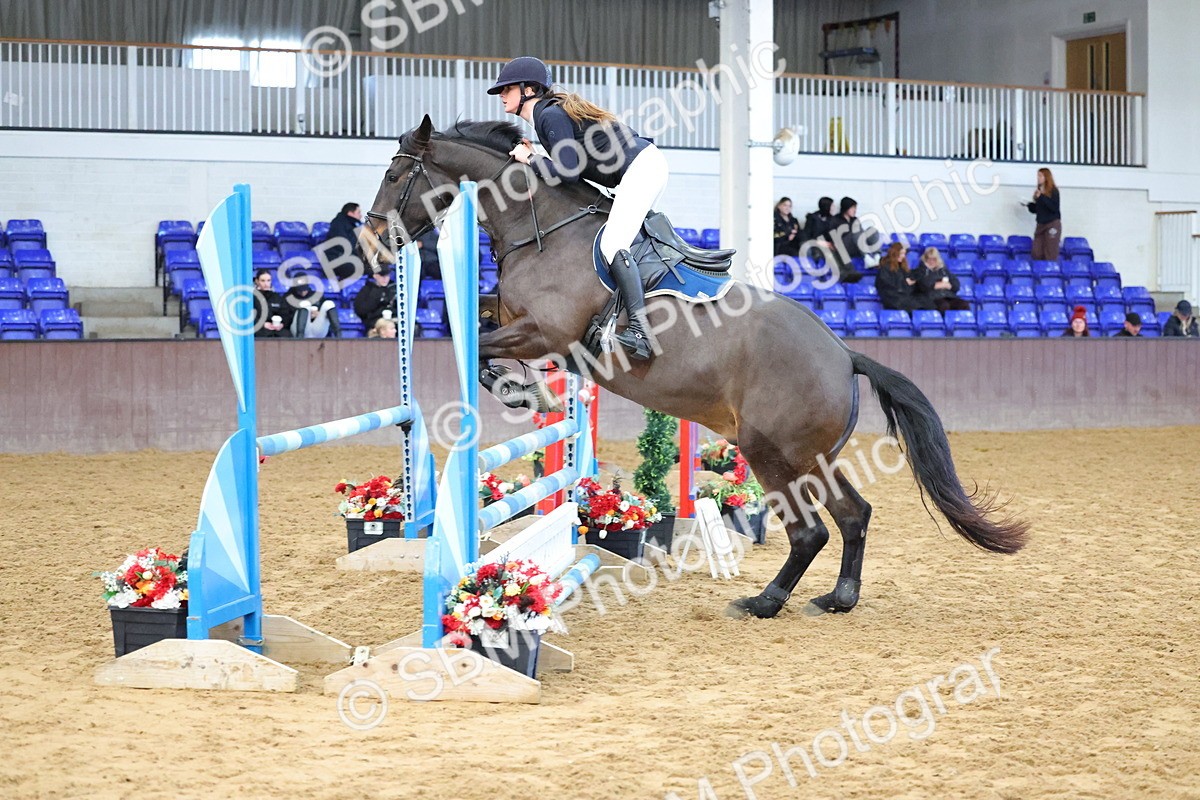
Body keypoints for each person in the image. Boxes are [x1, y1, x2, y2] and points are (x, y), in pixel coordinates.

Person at [489, 55, 662, 360]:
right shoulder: (549, 116)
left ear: (528, 89)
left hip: (642, 169)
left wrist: (530, 159)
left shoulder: (549, 116)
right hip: (640, 168)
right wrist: (537, 156)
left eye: (507, 88)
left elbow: (567, 172)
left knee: (612, 244)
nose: (501, 94)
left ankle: (641, 333)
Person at [825, 196, 881, 283]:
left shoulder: (855, 219)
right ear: (846, 208)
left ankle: (877, 257)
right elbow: (832, 236)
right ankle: (866, 258)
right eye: (853, 208)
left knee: (872, 230)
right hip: (843, 247)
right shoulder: (835, 219)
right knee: (855, 232)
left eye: (855, 208)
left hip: (856, 246)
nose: (855, 210)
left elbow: (861, 234)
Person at [875, 242, 935, 312]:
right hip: (893, 298)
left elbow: (910, 275)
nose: (903, 256)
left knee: (927, 301)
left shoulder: (901, 267)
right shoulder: (885, 268)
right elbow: (886, 285)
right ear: (894, 253)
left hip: (904, 296)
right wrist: (905, 283)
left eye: (904, 254)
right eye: (901, 253)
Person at [914, 247, 970, 312]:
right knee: (943, 305)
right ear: (925, 259)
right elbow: (925, 285)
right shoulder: (921, 271)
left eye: (934, 259)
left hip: (948, 296)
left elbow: (956, 285)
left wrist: (942, 285)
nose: (931, 262)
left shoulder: (944, 270)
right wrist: (943, 285)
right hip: (932, 298)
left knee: (964, 304)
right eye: (929, 259)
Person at [1026, 168, 1062, 261]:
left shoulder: (1053, 191)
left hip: (1052, 223)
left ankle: (1050, 271)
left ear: (1046, 177)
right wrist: (1030, 206)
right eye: (1038, 176)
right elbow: (1039, 209)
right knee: (1036, 251)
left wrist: (1041, 197)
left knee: (1050, 251)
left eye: (1040, 176)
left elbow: (1054, 207)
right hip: (1041, 223)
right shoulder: (1039, 191)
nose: (1038, 178)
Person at [323, 202, 364, 282]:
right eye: (358, 212)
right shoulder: (338, 224)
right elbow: (343, 245)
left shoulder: (355, 225)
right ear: (350, 213)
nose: (361, 215)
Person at [353, 265, 397, 332]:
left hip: (393, 319)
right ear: (375, 276)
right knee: (388, 328)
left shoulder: (392, 289)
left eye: (387, 276)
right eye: (382, 276)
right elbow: (361, 310)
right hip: (374, 322)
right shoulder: (367, 290)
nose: (385, 279)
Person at [252, 269, 292, 337]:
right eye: (263, 281)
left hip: (277, 330)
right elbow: (249, 316)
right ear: (257, 281)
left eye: (268, 280)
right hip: (260, 330)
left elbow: (286, 314)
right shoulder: (252, 297)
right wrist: (263, 324)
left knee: (287, 334)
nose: (266, 284)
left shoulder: (277, 297)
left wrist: (282, 324)